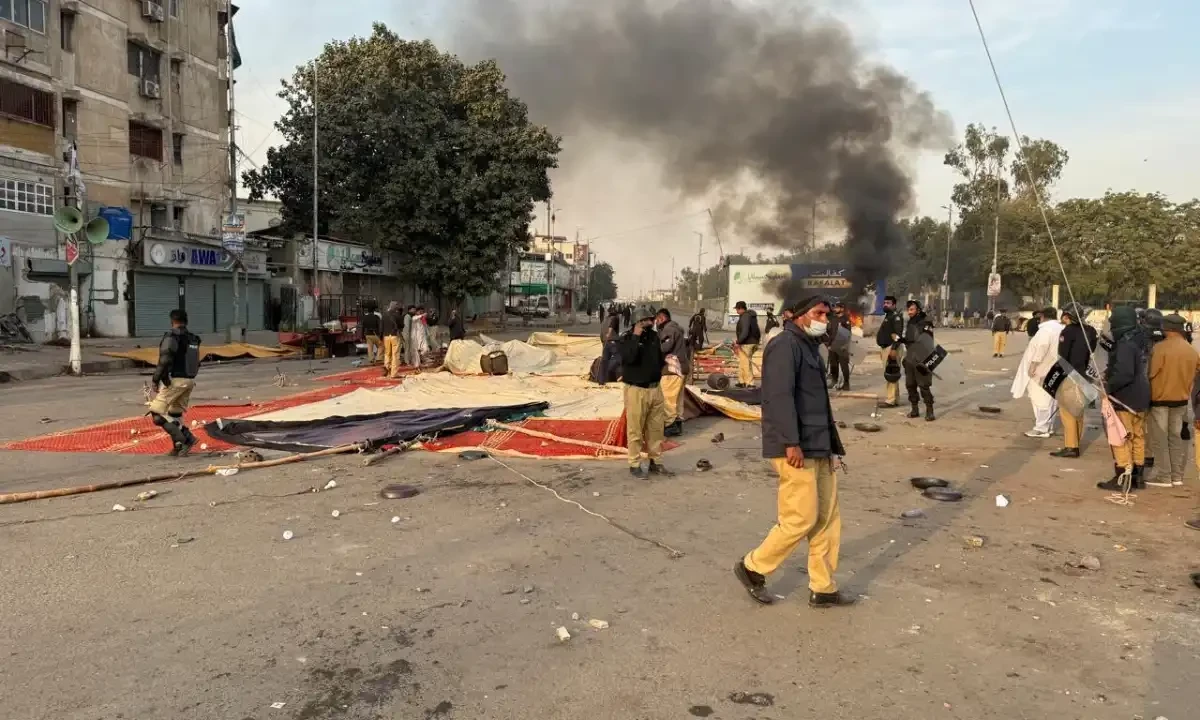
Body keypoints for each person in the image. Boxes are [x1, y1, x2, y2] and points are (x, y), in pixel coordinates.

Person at [733, 295, 853, 609]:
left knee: (826, 518)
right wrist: (790, 441)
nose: (824, 320)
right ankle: (752, 567)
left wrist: (832, 448)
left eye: (826, 314)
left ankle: (823, 586)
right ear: (798, 315)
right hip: (794, 446)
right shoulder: (784, 345)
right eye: (818, 313)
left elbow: (819, 405)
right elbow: (778, 396)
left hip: (818, 445)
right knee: (800, 517)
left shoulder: (810, 347)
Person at [1097, 306, 1151, 492]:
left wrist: (1108, 386)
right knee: (1137, 437)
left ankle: (1123, 477)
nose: (1111, 328)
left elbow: (1124, 373)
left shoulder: (1125, 344)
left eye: (1113, 323)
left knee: (1120, 438)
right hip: (1141, 397)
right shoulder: (1141, 339)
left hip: (1125, 398)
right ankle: (1138, 477)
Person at [1144, 314, 1200, 488]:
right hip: (1181, 400)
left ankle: (1164, 476)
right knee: (1175, 438)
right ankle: (1176, 475)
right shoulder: (1191, 350)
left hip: (1160, 399)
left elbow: (1151, 373)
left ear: (1167, 328)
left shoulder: (1161, 348)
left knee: (1159, 438)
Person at [620, 316, 672, 479]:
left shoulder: (654, 337)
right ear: (637, 320)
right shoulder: (627, 337)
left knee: (656, 429)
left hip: (655, 388)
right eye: (645, 319)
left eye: (651, 319)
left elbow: (659, 359)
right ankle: (634, 464)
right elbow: (629, 358)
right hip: (636, 390)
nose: (650, 322)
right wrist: (636, 335)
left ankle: (655, 461)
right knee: (635, 429)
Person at [148, 309, 201, 457]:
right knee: (174, 413)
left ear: (172, 321)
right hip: (189, 381)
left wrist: (156, 379)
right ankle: (178, 446)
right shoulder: (193, 338)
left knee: (157, 414)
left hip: (175, 381)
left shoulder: (172, 337)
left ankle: (187, 438)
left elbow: (165, 360)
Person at [1049, 304, 1098, 458]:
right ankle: (1075, 442)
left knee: (1068, 412)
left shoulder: (1067, 331)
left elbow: (1062, 356)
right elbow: (1092, 350)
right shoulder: (1090, 331)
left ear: (1068, 316)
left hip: (1070, 375)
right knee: (1079, 411)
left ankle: (1071, 446)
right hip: (1084, 375)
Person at [1011, 307, 1064, 439]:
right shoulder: (1060, 329)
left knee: (1040, 398)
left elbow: (1041, 347)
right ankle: (1048, 426)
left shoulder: (1046, 331)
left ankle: (1041, 428)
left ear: (1042, 316)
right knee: (1050, 399)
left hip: (1042, 369)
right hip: (1054, 368)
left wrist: (1034, 365)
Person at [655, 308, 690, 437]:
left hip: (672, 369)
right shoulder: (676, 328)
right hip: (682, 368)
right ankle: (678, 423)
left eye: (656, 320)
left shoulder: (669, 330)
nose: (655, 323)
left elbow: (664, 348)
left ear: (662, 318)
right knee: (678, 398)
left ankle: (670, 425)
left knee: (667, 398)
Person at [901, 300, 936, 421]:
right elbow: (909, 340)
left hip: (922, 357)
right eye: (908, 310)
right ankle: (914, 409)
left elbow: (928, 341)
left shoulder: (926, 322)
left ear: (918, 310)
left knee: (923, 385)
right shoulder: (910, 322)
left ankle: (929, 410)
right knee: (910, 385)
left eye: (912, 309)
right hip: (910, 357)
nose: (909, 312)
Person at [876, 296, 905, 408]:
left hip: (891, 348)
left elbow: (898, 335)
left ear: (894, 305)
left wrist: (893, 349)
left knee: (891, 373)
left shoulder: (896, 317)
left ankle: (890, 400)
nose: (885, 304)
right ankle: (894, 399)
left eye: (888, 303)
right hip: (886, 348)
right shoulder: (889, 315)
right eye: (884, 303)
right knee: (893, 373)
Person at [733, 301, 761, 387]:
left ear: (741, 308)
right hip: (753, 342)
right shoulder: (750, 316)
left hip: (747, 343)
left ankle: (750, 383)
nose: (736, 311)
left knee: (745, 363)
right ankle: (742, 381)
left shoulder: (745, 317)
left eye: (737, 309)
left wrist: (738, 341)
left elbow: (745, 331)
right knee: (742, 361)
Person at [826, 301, 852, 391]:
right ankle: (834, 381)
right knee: (833, 365)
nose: (835, 309)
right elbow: (830, 332)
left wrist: (845, 345)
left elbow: (848, 333)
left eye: (837, 307)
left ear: (842, 308)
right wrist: (828, 344)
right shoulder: (833, 319)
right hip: (832, 346)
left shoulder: (846, 319)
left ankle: (846, 384)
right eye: (834, 307)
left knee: (844, 365)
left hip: (842, 346)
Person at [381, 302, 402, 377]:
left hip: (386, 336)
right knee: (395, 354)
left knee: (387, 353)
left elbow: (381, 326)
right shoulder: (397, 315)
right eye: (396, 306)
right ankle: (394, 373)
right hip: (395, 335)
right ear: (394, 307)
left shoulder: (384, 315)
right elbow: (401, 325)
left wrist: (381, 337)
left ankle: (387, 369)